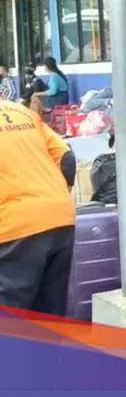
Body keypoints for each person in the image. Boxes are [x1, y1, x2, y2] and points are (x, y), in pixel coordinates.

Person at [0, 100, 76, 315]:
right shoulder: (22, 112)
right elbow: (67, 159)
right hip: (59, 218)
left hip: (13, 227)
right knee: (49, 316)